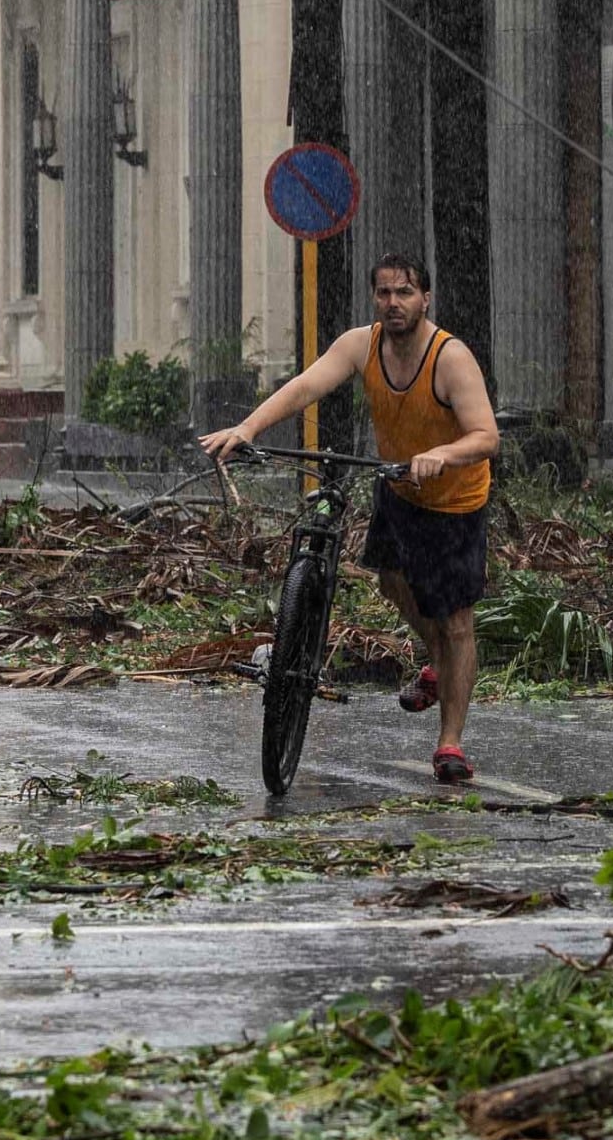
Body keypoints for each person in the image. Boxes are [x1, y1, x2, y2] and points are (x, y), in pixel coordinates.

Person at [201, 253, 499, 784]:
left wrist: (441, 455)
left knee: (456, 622)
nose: (393, 303)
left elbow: (485, 437)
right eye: (384, 293)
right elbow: (306, 386)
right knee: (391, 584)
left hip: (454, 501)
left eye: (404, 292)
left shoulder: (450, 358)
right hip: (400, 489)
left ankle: (450, 743)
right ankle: (439, 667)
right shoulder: (361, 344)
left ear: (425, 298)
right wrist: (248, 428)